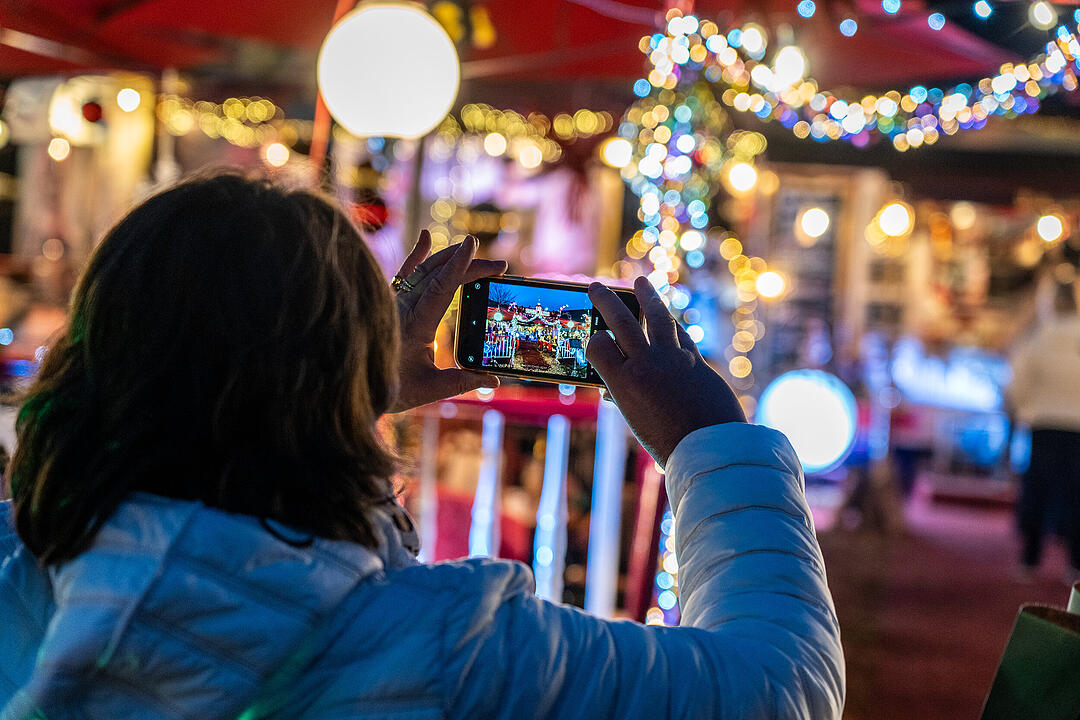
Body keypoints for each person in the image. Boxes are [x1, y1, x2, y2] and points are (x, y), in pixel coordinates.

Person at [0, 173, 844, 719]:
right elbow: (780, 692)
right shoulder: (450, 653)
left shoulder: (21, 566)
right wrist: (709, 440)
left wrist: (350, 398)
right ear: (339, 380)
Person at [1009, 280, 1080, 584]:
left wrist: (1027, 410)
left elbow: (1016, 382)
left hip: (1043, 423)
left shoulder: (1038, 336)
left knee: (1037, 489)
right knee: (1076, 494)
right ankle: (1075, 565)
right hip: (1077, 427)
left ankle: (1030, 558)